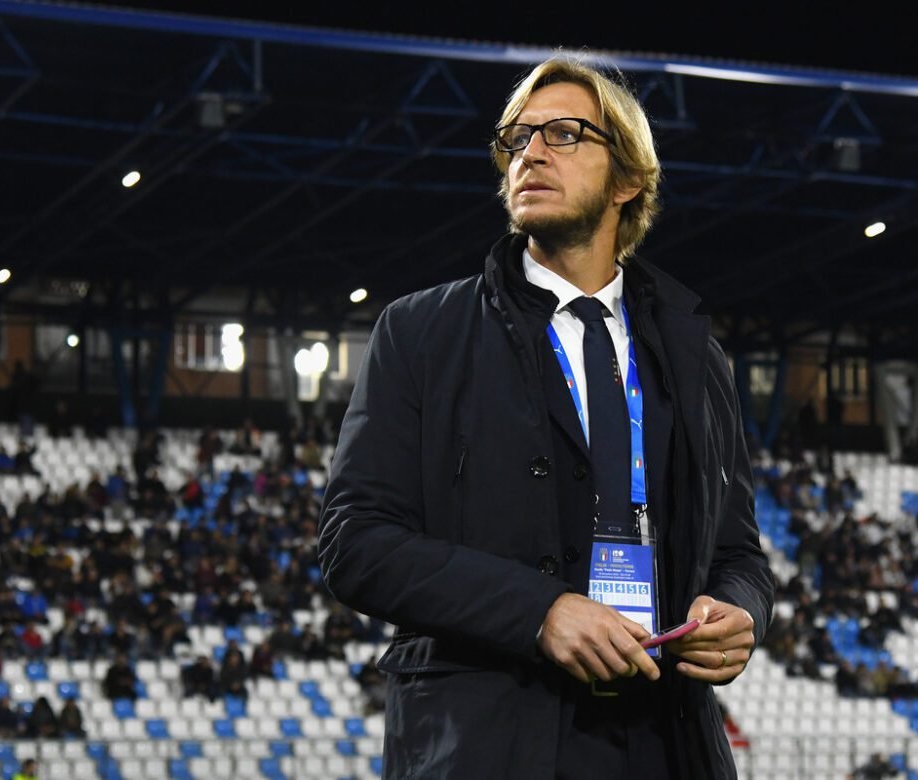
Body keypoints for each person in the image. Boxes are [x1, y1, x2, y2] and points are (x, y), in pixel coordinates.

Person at [319, 55, 774, 779]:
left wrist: (738, 610)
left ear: (628, 179)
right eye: (517, 137)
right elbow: (356, 542)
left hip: (665, 743)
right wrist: (540, 612)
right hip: (488, 744)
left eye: (563, 134)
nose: (530, 153)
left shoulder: (696, 356)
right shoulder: (421, 332)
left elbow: (738, 552)